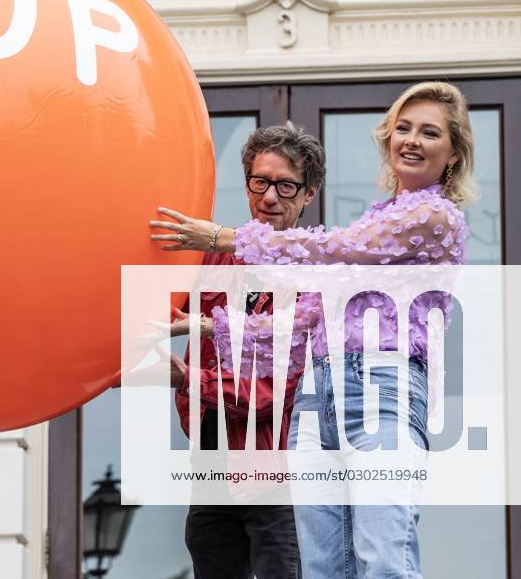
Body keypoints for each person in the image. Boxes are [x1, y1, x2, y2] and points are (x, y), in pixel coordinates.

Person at [150, 82, 475, 579]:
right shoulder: (380, 216)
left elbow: (333, 250)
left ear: (453, 154)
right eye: (403, 128)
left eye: (429, 132)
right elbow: (308, 320)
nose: (411, 140)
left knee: (382, 552)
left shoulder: (431, 215)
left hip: (377, 390)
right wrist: (204, 322)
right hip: (315, 401)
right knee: (326, 567)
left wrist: (221, 235)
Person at [168, 122, 322, 579]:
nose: (270, 196)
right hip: (213, 466)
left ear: (309, 194)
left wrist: (184, 378)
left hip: (277, 476)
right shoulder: (213, 257)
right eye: (260, 181)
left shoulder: (310, 271)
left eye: (286, 185)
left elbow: (274, 387)